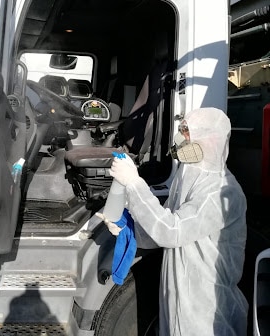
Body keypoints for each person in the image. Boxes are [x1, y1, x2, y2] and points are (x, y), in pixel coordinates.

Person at [103, 107, 248, 335]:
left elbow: (172, 231)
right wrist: (127, 228)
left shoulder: (221, 192)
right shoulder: (186, 175)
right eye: (181, 130)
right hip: (178, 296)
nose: (180, 139)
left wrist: (133, 183)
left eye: (186, 132)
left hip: (208, 306)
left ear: (211, 139)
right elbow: (162, 225)